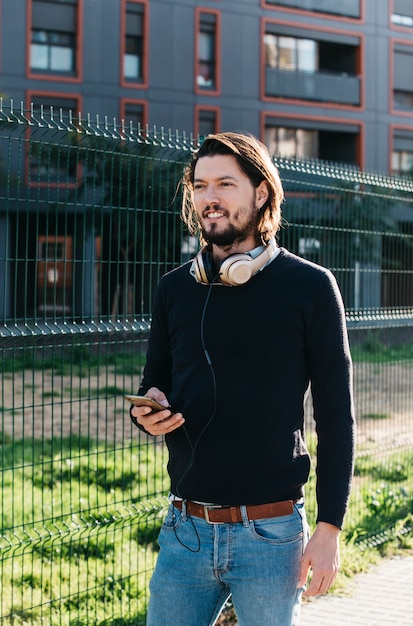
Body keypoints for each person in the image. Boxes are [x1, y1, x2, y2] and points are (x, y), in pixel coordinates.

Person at [130, 132, 355, 626]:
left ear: (260, 193)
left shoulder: (311, 288)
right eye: (200, 185)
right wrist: (145, 412)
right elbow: (154, 383)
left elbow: (336, 417)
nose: (210, 197)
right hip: (184, 531)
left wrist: (329, 529)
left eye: (225, 183)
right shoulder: (175, 290)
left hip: (270, 536)